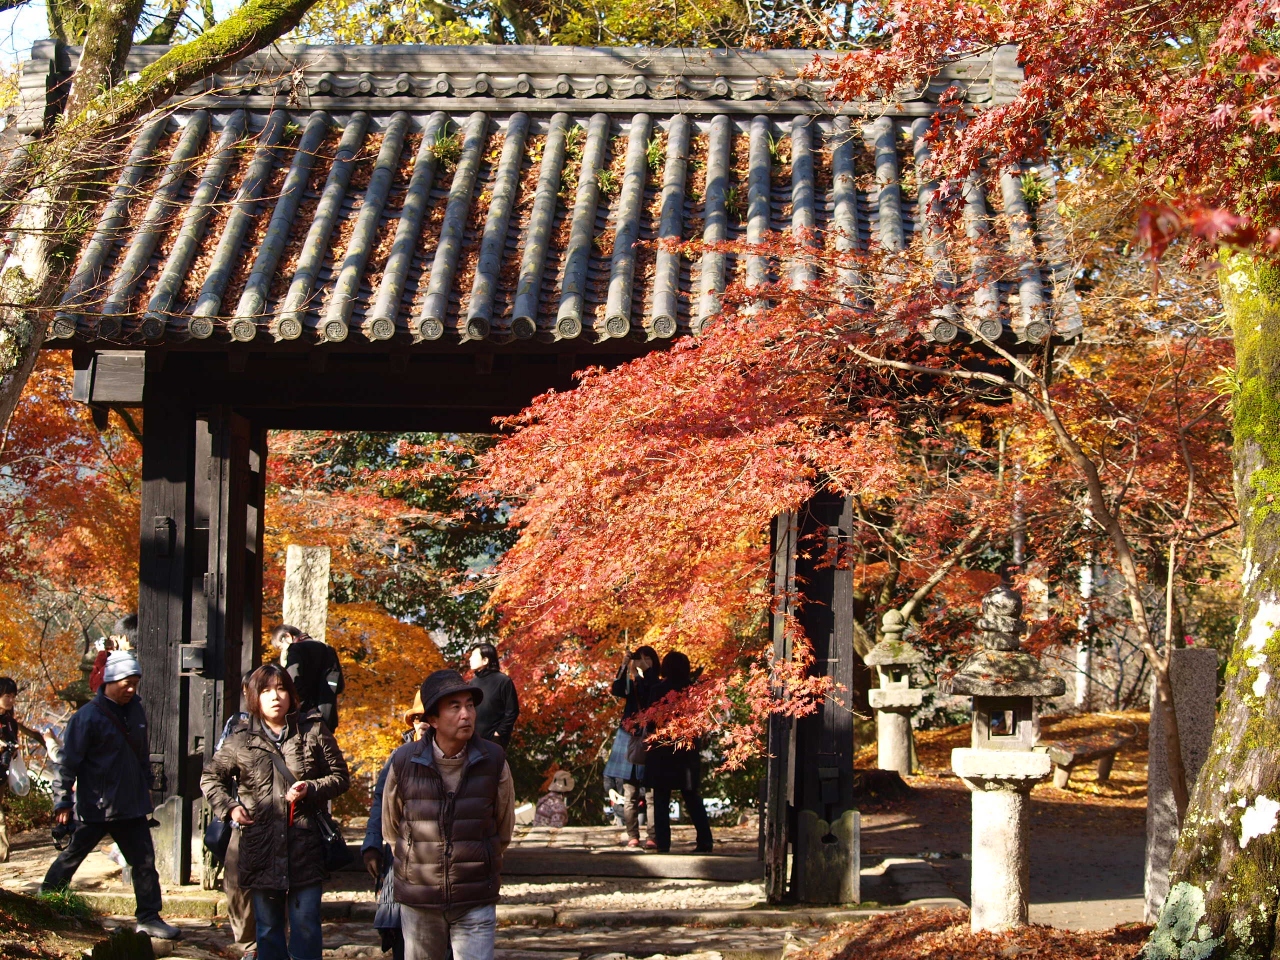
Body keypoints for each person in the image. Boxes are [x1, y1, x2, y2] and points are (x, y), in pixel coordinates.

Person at [201, 664, 350, 960]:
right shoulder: (240, 738)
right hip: (260, 847)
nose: (275, 696)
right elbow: (210, 778)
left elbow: (340, 777)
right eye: (266, 690)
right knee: (268, 929)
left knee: (306, 926)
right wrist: (230, 808)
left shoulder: (313, 730)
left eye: (281, 688)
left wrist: (311, 787)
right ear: (254, 697)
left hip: (305, 847)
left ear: (291, 694)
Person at [40, 651, 182, 940]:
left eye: (135, 683)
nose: (131, 689)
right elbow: (67, 764)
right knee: (72, 855)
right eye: (126, 683)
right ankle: (46, 901)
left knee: (144, 863)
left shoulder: (136, 710)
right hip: (97, 804)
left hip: (130, 804)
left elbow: (141, 755)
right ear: (109, 680)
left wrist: (146, 790)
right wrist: (63, 802)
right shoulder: (86, 717)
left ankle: (149, 917)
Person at [383, 669, 516, 960]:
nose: (466, 714)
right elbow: (392, 828)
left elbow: (504, 827)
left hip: (475, 893)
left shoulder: (494, 760)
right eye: (454, 707)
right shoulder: (404, 761)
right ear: (432, 719)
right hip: (420, 896)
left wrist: (480, 856)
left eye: (469, 705)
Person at [361, 689, 430, 960]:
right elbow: (380, 802)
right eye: (417, 718)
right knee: (403, 935)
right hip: (401, 856)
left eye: (428, 717)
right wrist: (371, 845)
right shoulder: (398, 757)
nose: (423, 723)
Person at [643, 651, 713, 854]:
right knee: (692, 797)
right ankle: (705, 840)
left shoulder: (658, 690)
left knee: (661, 799)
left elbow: (649, 722)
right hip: (686, 750)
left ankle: (663, 844)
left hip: (661, 750)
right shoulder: (694, 690)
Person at [605, 645, 659, 849]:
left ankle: (652, 836)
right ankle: (632, 835)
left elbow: (652, 688)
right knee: (630, 792)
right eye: (641, 658)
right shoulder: (632, 683)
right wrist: (625, 664)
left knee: (651, 793)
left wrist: (644, 672)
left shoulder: (655, 683)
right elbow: (617, 689)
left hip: (650, 738)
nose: (644, 662)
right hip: (630, 736)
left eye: (648, 658)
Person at [214, 694, 255, 958]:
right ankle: (248, 946)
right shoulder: (237, 725)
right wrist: (229, 806)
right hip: (242, 818)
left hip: (284, 822)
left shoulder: (298, 729)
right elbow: (215, 771)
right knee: (237, 885)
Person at [1, 676, 46, 862]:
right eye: (7, 695)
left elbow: (13, 745)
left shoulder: (10, 722)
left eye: (13, 696)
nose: (11, 700)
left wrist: (11, 750)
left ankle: (2, 859)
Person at [272, 626, 345, 732]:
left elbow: (292, 682)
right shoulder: (329, 649)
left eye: (281, 647)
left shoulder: (296, 649)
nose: (283, 651)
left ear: (288, 636)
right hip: (328, 718)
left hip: (304, 718)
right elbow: (339, 686)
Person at [468, 644, 519, 749]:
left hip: (494, 742)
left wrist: (499, 733)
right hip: (473, 740)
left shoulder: (503, 681)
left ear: (485, 660)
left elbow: (512, 711)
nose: (470, 659)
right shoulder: (473, 683)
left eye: (473, 655)